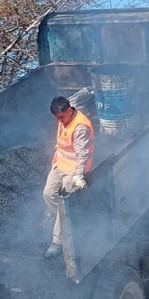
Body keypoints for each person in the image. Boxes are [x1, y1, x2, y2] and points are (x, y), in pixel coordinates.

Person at [42, 96, 93, 276]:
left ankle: (57, 242)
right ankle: (64, 220)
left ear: (69, 111)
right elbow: (77, 97)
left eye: (61, 118)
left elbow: (82, 154)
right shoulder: (66, 111)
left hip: (73, 171)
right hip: (60, 165)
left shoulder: (80, 128)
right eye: (57, 118)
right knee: (48, 194)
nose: (60, 121)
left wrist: (79, 175)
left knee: (64, 203)